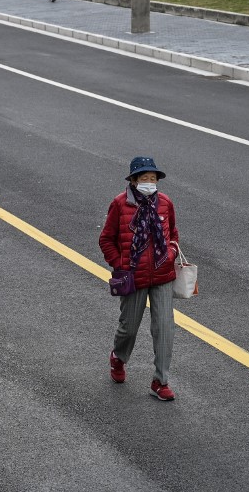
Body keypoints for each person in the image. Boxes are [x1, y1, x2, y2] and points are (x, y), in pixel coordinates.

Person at [99, 156, 180, 401]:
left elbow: (173, 233)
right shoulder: (120, 204)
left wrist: (171, 252)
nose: (149, 183)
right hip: (133, 278)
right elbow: (106, 240)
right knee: (128, 329)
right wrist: (120, 264)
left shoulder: (165, 203)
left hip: (162, 274)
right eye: (144, 178)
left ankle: (160, 381)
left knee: (165, 329)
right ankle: (118, 358)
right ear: (134, 181)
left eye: (153, 179)